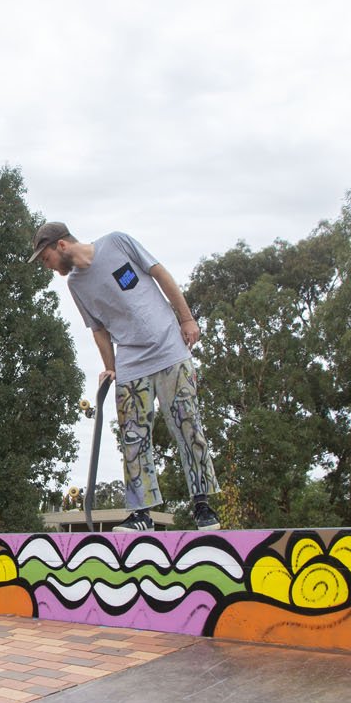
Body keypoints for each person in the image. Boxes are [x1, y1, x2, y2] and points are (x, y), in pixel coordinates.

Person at [31, 222, 221, 531]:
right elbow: (99, 330)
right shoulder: (76, 285)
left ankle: (203, 506)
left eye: (46, 259)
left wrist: (186, 318)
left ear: (61, 246)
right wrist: (111, 368)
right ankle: (141, 513)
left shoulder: (117, 243)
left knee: (187, 424)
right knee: (132, 436)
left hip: (169, 347)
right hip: (131, 359)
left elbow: (161, 276)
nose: (47, 267)